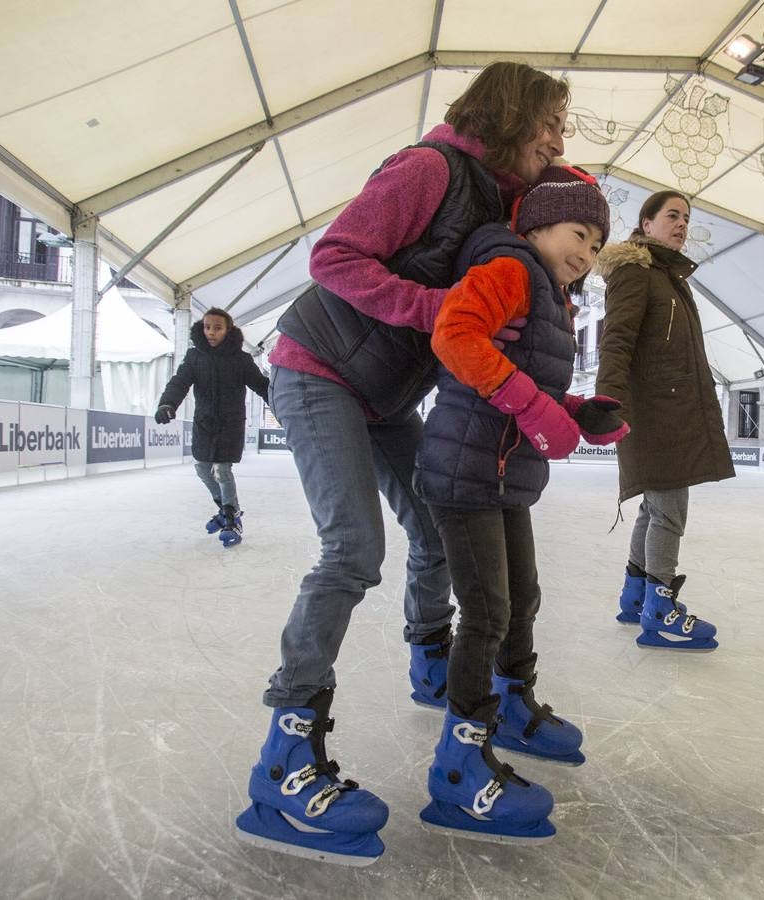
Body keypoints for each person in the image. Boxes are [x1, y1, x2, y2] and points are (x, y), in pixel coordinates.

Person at [234, 62, 570, 865]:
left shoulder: (500, 203)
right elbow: (336, 259)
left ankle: (430, 664)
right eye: (551, 123)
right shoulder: (427, 169)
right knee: (353, 549)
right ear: (510, 114)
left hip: (385, 394)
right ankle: (285, 755)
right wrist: (441, 312)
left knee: (436, 530)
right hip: (318, 370)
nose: (559, 140)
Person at [414, 165, 624, 842]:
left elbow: (515, 377)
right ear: (535, 223)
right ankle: (459, 762)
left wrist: (575, 409)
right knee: (486, 612)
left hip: (502, 473)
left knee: (522, 597)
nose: (586, 253)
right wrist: (535, 405)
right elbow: (455, 337)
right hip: (463, 471)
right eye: (578, 232)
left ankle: (511, 703)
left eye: (596, 244)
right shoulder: (508, 266)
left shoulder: (551, 295)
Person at [596, 190, 734, 651]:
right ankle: (660, 608)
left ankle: (635, 596)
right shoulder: (636, 272)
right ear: (647, 223)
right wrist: (608, 401)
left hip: (670, 408)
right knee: (669, 511)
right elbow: (616, 340)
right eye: (672, 216)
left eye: (686, 218)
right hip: (655, 412)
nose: (681, 224)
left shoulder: (668, 277)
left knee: (653, 509)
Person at [154, 307, 268, 547]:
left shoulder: (241, 360)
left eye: (217, 328)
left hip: (230, 425)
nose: (211, 332)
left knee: (223, 472)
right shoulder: (195, 357)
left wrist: (283, 405)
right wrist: (167, 404)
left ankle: (230, 520)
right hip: (204, 424)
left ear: (228, 330)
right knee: (203, 470)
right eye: (207, 327)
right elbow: (179, 382)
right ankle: (229, 510)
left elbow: (262, 386)